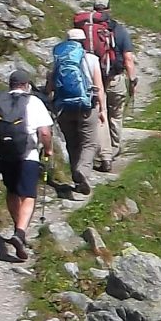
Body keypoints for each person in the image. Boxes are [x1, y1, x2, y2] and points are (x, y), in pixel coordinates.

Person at [0, 65, 52, 261]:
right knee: (28, 195)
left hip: (5, 155)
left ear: (10, 84)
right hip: (28, 155)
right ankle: (20, 232)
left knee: (12, 192)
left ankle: (19, 230)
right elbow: (44, 132)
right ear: (26, 85)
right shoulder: (34, 102)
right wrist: (48, 149)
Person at [48, 24, 107, 196]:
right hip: (86, 106)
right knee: (89, 143)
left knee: (72, 143)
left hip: (64, 107)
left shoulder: (58, 59)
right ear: (83, 42)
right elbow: (99, 87)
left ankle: (77, 178)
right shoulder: (91, 59)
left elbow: (50, 85)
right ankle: (83, 171)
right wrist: (102, 109)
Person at [79, 0, 134, 166]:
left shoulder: (85, 30)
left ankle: (104, 153)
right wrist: (132, 79)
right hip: (115, 78)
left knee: (100, 115)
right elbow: (128, 58)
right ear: (109, 9)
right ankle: (114, 148)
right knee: (115, 115)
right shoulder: (119, 30)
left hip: (94, 80)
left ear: (94, 10)